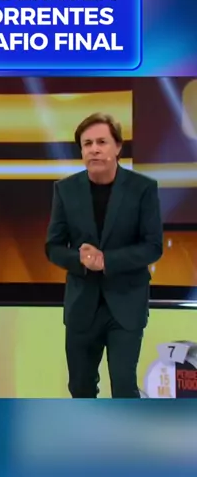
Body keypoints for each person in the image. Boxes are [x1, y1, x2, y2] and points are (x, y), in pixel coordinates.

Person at [45, 113, 163, 398]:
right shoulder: (65, 190)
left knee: (123, 386)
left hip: (126, 305)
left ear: (118, 146)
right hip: (82, 306)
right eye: (87, 144)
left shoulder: (143, 189)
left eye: (101, 142)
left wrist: (106, 260)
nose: (94, 149)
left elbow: (152, 246)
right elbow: (53, 246)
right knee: (80, 388)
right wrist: (80, 260)